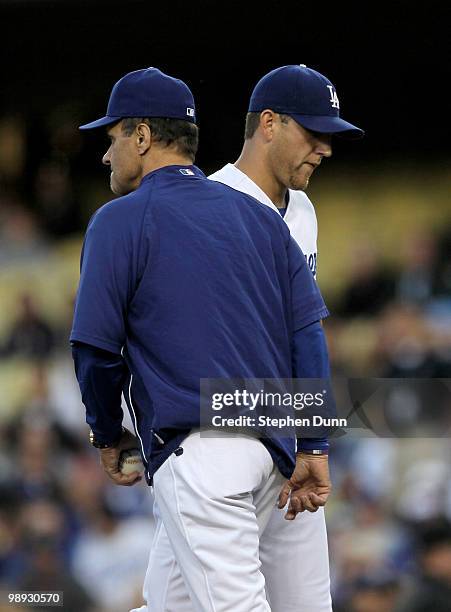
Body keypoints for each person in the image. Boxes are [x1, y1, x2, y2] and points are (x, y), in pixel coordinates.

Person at [70, 67, 331, 612]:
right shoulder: (261, 218)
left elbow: (95, 349)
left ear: (141, 136)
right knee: (169, 606)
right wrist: (314, 443)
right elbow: (308, 336)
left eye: (113, 136)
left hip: (203, 451)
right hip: (272, 451)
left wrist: (106, 432)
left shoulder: (119, 220)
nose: (106, 154)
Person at [208, 65, 364, 611]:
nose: (324, 148)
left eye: (331, 136)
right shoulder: (208, 205)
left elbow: (302, 331)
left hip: (288, 440)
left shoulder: (303, 209)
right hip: (221, 439)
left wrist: (311, 438)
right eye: (313, 133)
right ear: (268, 123)